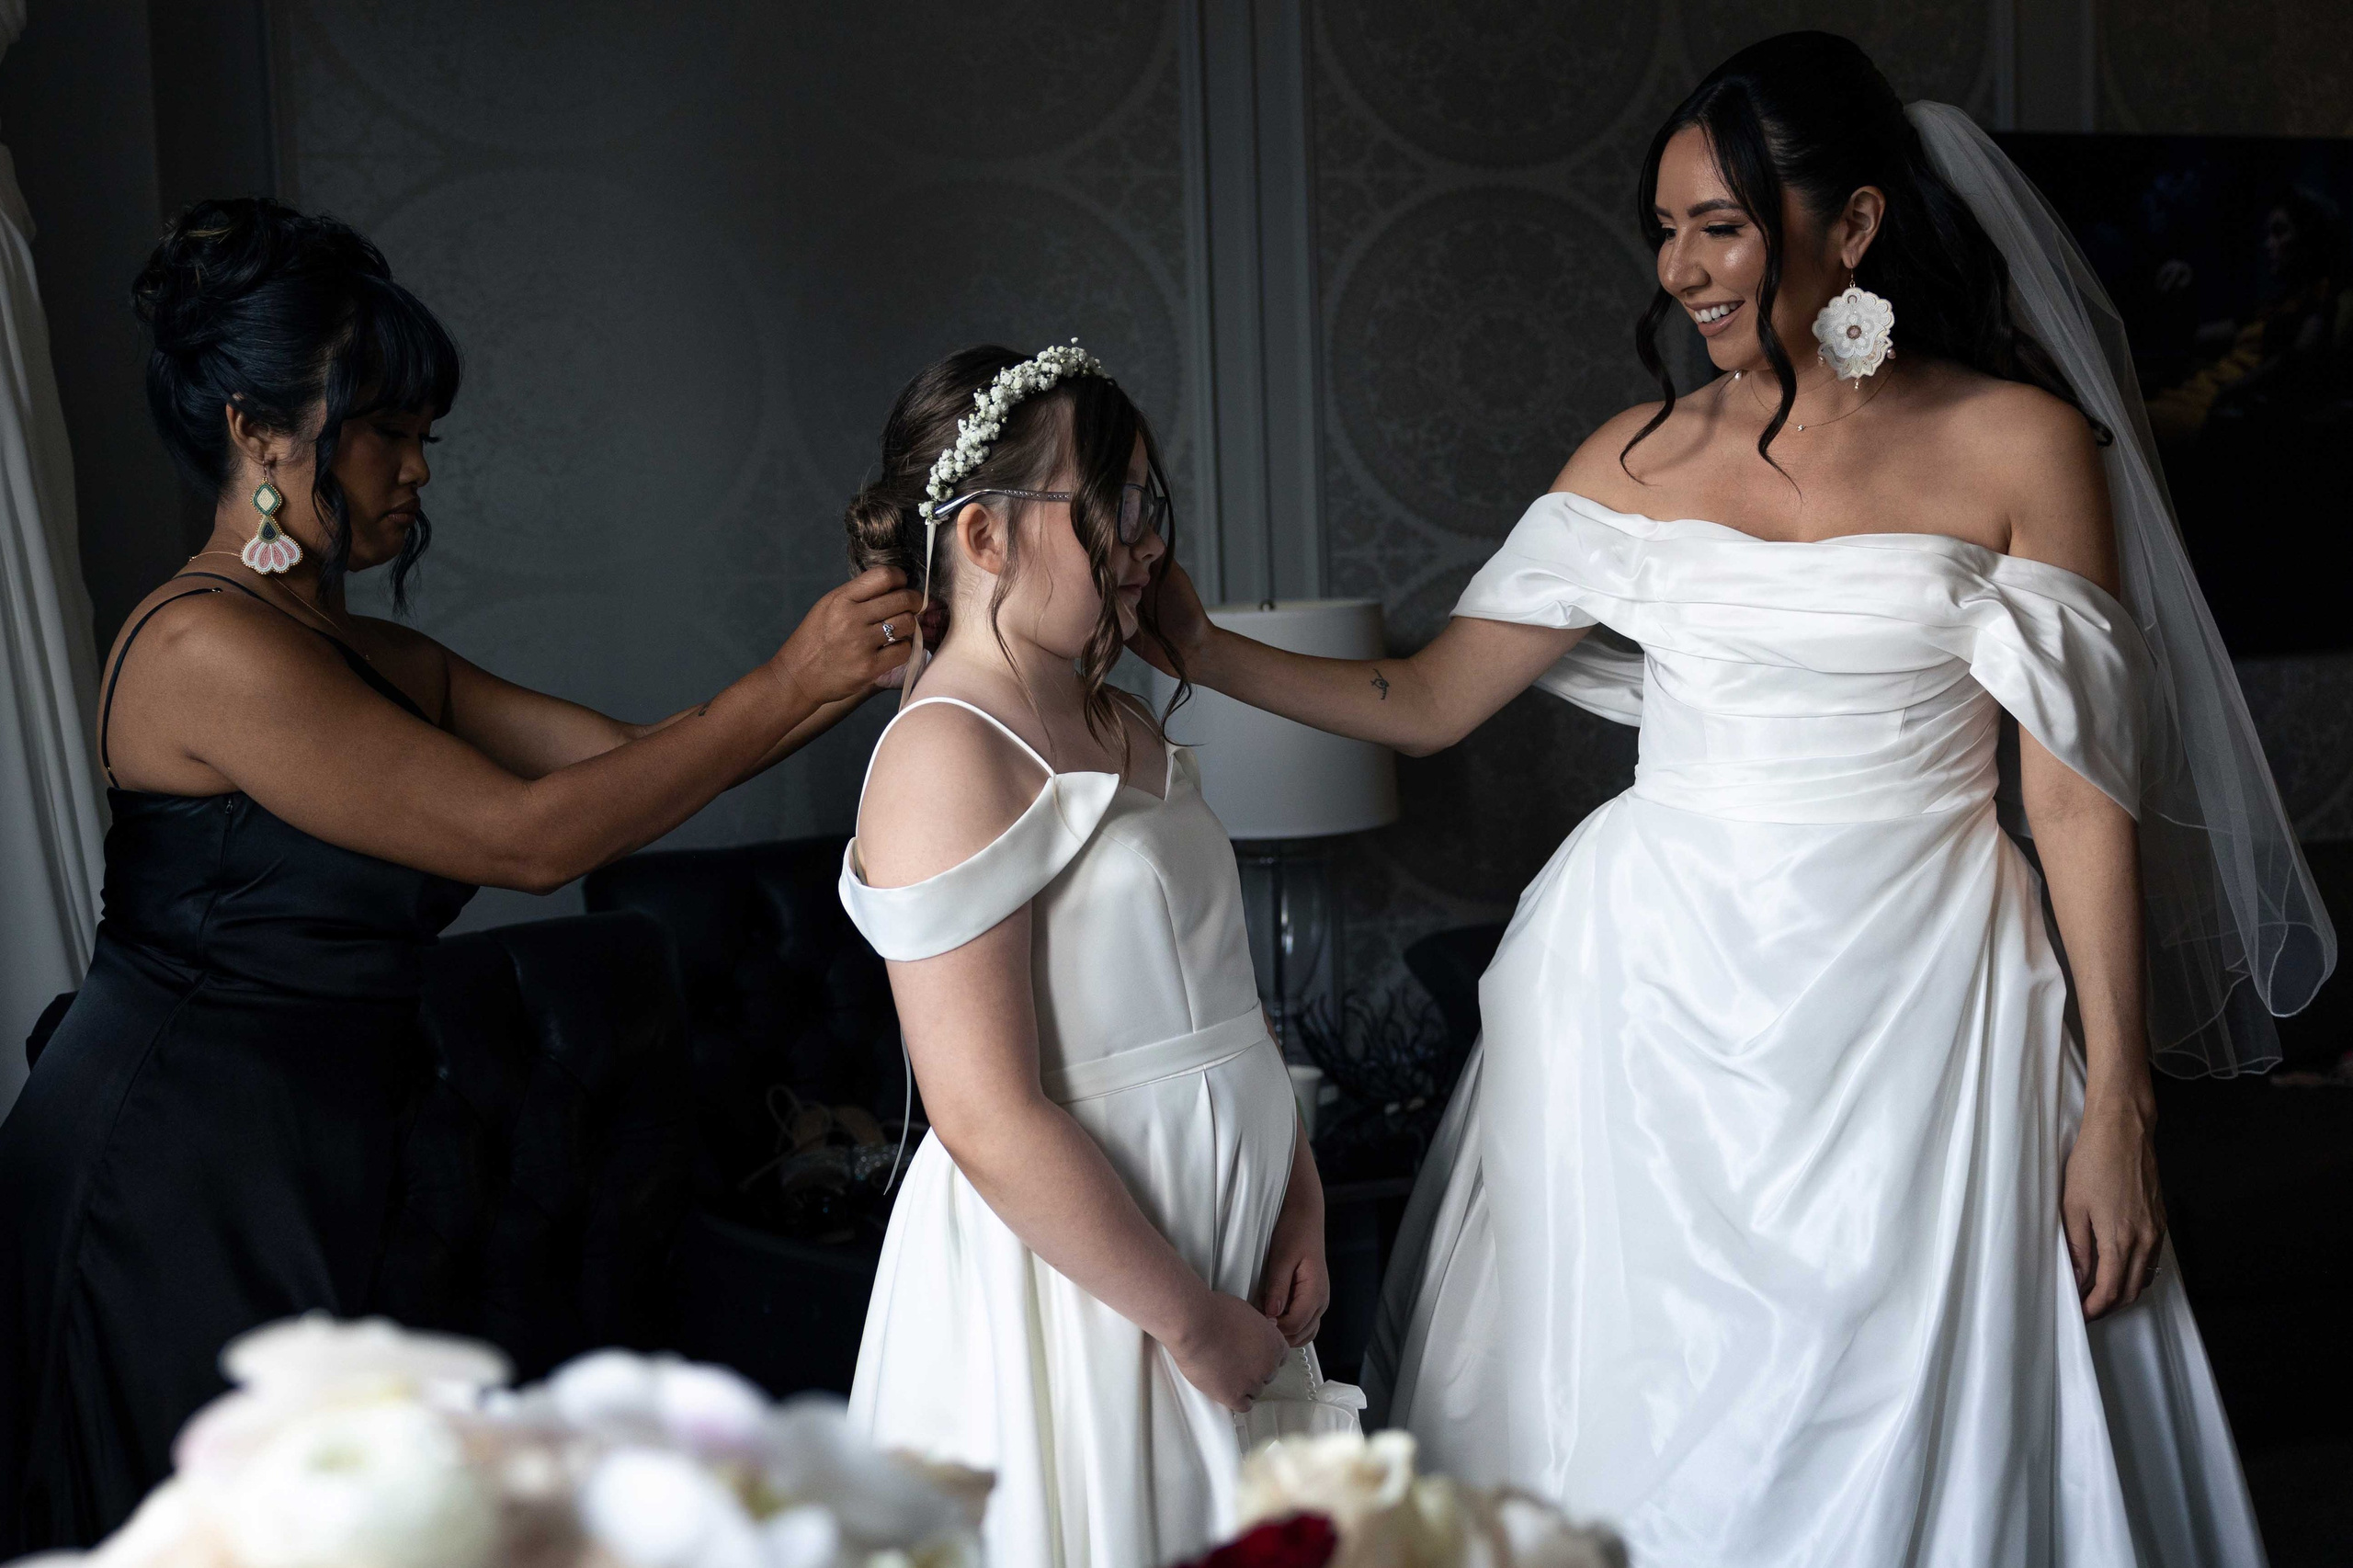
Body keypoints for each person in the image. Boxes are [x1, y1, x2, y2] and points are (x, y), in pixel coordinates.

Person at [1131, 34, 2331, 1567]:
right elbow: (1424, 702)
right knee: (1634, 1415)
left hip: (1930, 1001)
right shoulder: (1631, 462)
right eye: (1668, 226)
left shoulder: (2019, 445)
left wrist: (2120, 1102)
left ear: (1856, 227)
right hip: (1650, 1007)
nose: (1686, 269)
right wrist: (1199, 644)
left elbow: (2082, 801)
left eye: (1725, 224)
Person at [0, 198, 919, 1552]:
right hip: (166, 1177)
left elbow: (634, 768)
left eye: (424, 436)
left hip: (314, 1161)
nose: (417, 470)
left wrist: (864, 660)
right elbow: (530, 838)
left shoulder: (382, 661)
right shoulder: (202, 646)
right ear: (260, 433)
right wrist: (789, 680)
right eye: (384, 431)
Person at [836, 344, 1351, 1568]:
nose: (1144, 541)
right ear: (985, 538)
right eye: (1108, 504)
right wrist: (1186, 1320)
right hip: (1073, 1284)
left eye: (1143, 503)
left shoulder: (1117, 713)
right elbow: (984, 1111)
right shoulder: (943, 751)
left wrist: (1300, 1195)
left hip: (1224, 1236)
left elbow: (1229, 1002)